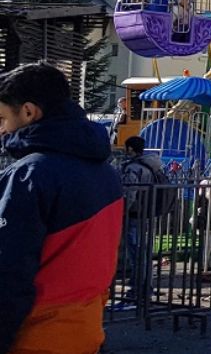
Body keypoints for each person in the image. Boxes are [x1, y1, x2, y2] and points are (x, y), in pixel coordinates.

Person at [0, 62, 123, 354]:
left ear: (29, 112)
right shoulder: (106, 173)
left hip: (34, 336)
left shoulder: (30, 175)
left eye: (2, 118)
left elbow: (9, 273)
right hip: (86, 329)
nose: (1, 130)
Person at [118, 136, 165, 301]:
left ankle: (138, 290)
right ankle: (146, 287)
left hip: (134, 215)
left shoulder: (134, 169)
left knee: (136, 254)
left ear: (130, 149)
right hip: (148, 214)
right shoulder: (152, 166)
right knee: (144, 254)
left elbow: (129, 193)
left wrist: (121, 212)